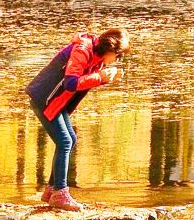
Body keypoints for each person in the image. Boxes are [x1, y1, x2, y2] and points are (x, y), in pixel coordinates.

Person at [25, 26, 126, 209]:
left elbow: (84, 82)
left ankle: (51, 191)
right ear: (110, 48)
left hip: (56, 101)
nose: (118, 60)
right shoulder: (83, 51)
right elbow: (71, 83)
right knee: (64, 141)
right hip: (45, 98)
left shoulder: (96, 57)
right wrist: (99, 77)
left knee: (70, 139)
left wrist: (104, 78)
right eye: (118, 55)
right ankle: (60, 194)